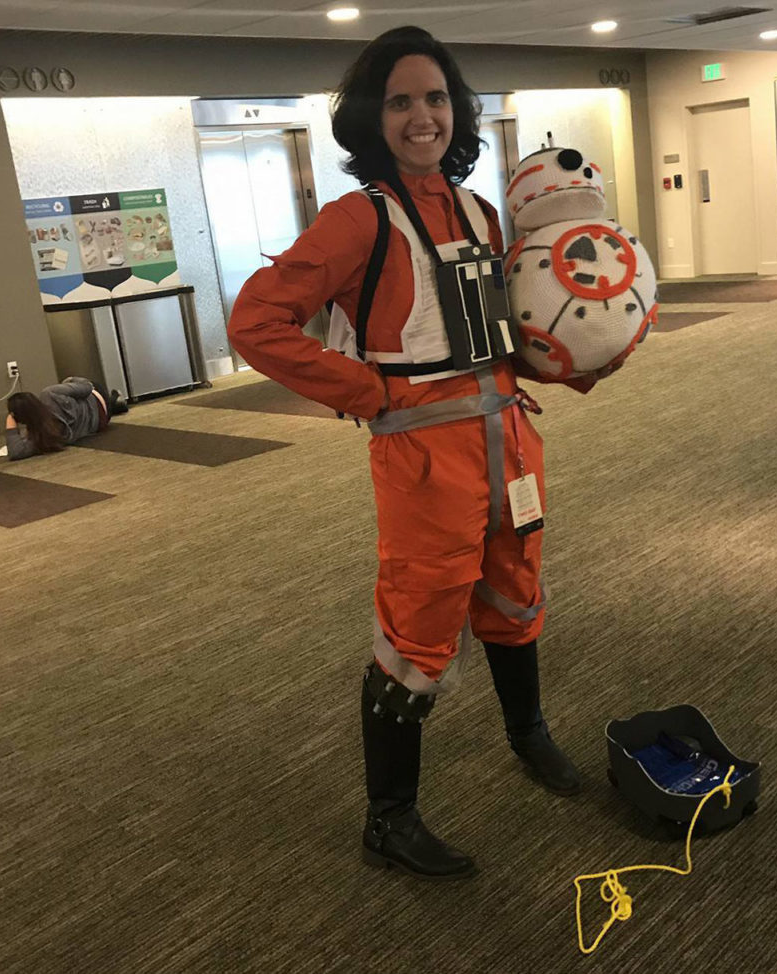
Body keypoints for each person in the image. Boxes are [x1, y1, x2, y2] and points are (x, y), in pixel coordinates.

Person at [228, 26, 610, 882]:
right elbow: (255, 321)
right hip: (424, 461)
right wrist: (369, 394)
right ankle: (389, 819)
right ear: (374, 116)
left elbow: (514, 328)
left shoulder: (480, 213)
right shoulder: (354, 220)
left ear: (456, 110)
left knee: (516, 590)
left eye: (435, 98)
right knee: (418, 625)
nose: (421, 116)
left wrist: (578, 361)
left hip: (509, 436)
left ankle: (528, 735)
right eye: (400, 101)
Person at [5, 377, 127, 461]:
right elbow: (87, 388)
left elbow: (16, 452)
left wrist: (10, 422)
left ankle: (116, 403)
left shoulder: (42, 437)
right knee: (83, 388)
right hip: (98, 399)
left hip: (102, 422)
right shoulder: (49, 394)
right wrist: (70, 380)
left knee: (105, 405)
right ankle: (115, 399)